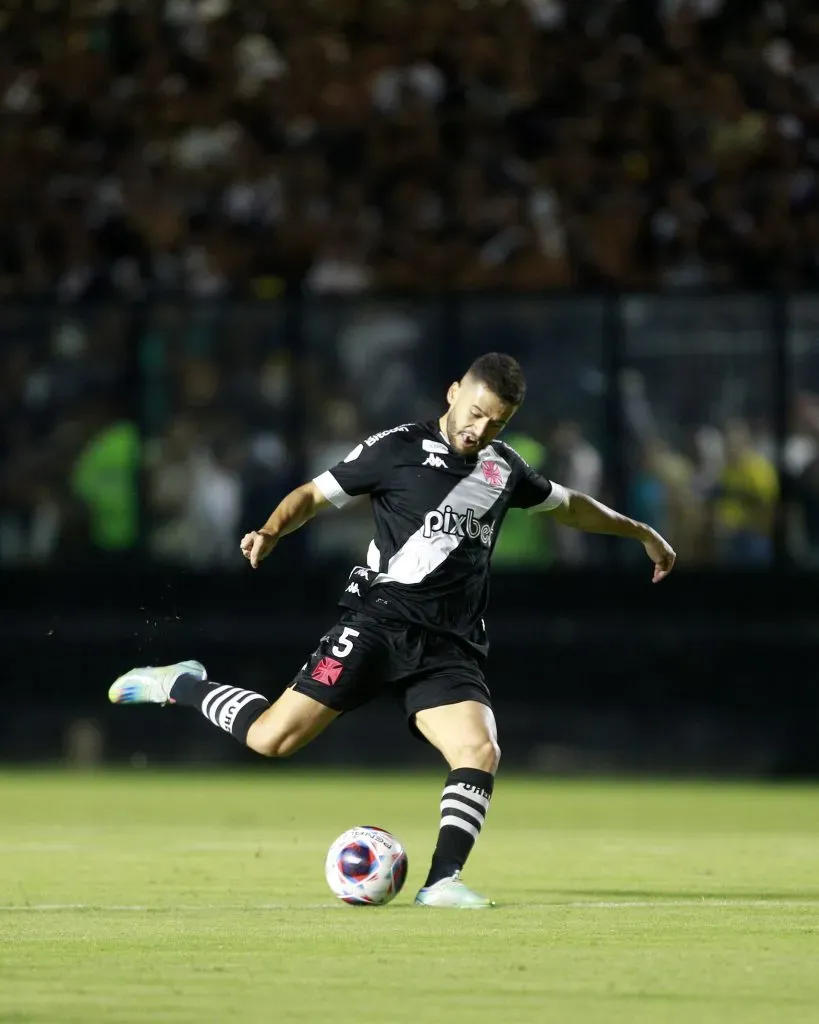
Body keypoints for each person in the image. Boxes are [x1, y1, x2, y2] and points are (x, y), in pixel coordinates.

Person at [109, 353, 676, 908]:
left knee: (479, 749)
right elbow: (314, 494)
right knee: (271, 740)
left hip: (448, 645)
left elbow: (571, 506)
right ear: (454, 392)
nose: (481, 429)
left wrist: (641, 531)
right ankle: (180, 683)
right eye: (476, 412)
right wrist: (271, 530)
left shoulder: (505, 471)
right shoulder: (396, 449)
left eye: (497, 422)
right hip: (376, 625)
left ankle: (442, 881)